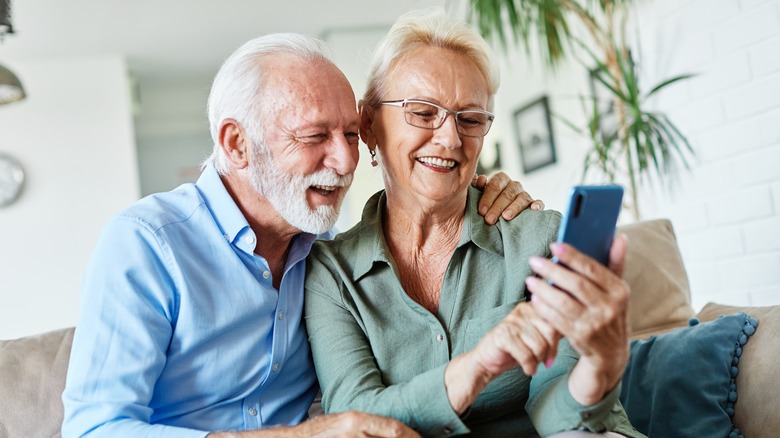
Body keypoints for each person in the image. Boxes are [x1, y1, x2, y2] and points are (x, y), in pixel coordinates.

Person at [61, 32, 541, 437]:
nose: (346, 161)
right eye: (315, 137)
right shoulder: (147, 244)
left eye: (351, 135)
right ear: (237, 144)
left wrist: (474, 189)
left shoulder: (325, 255)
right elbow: (93, 429)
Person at [304, 11, 643, 438]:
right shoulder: (332, 274)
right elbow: (353, 419)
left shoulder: (538, 239)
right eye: (423, 113)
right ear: (369, 125)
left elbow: (562, 415)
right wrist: (478, 365)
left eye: (470, 118)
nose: (449, 139)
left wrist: (599, 364)